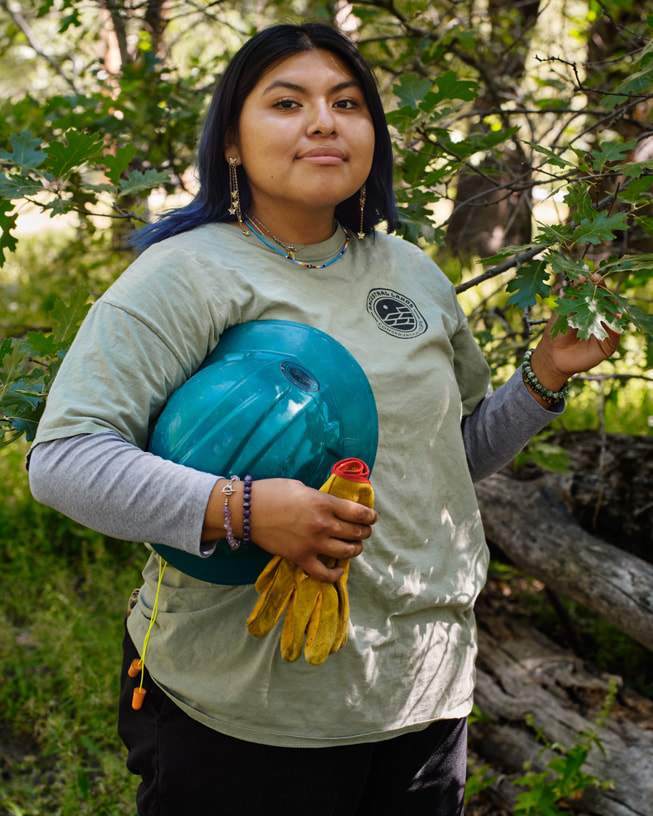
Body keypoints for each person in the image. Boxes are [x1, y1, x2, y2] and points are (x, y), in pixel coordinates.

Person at [27, 22, 620, 815]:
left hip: (419, 691)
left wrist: (542, 377)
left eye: (347, 102)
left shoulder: (411, 272)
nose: (322, 121)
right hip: (247, 710)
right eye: (286, 102)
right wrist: (240, 510)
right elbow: (64, 460)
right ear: (231, 143)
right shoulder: (186, 274)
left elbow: (439, 463)